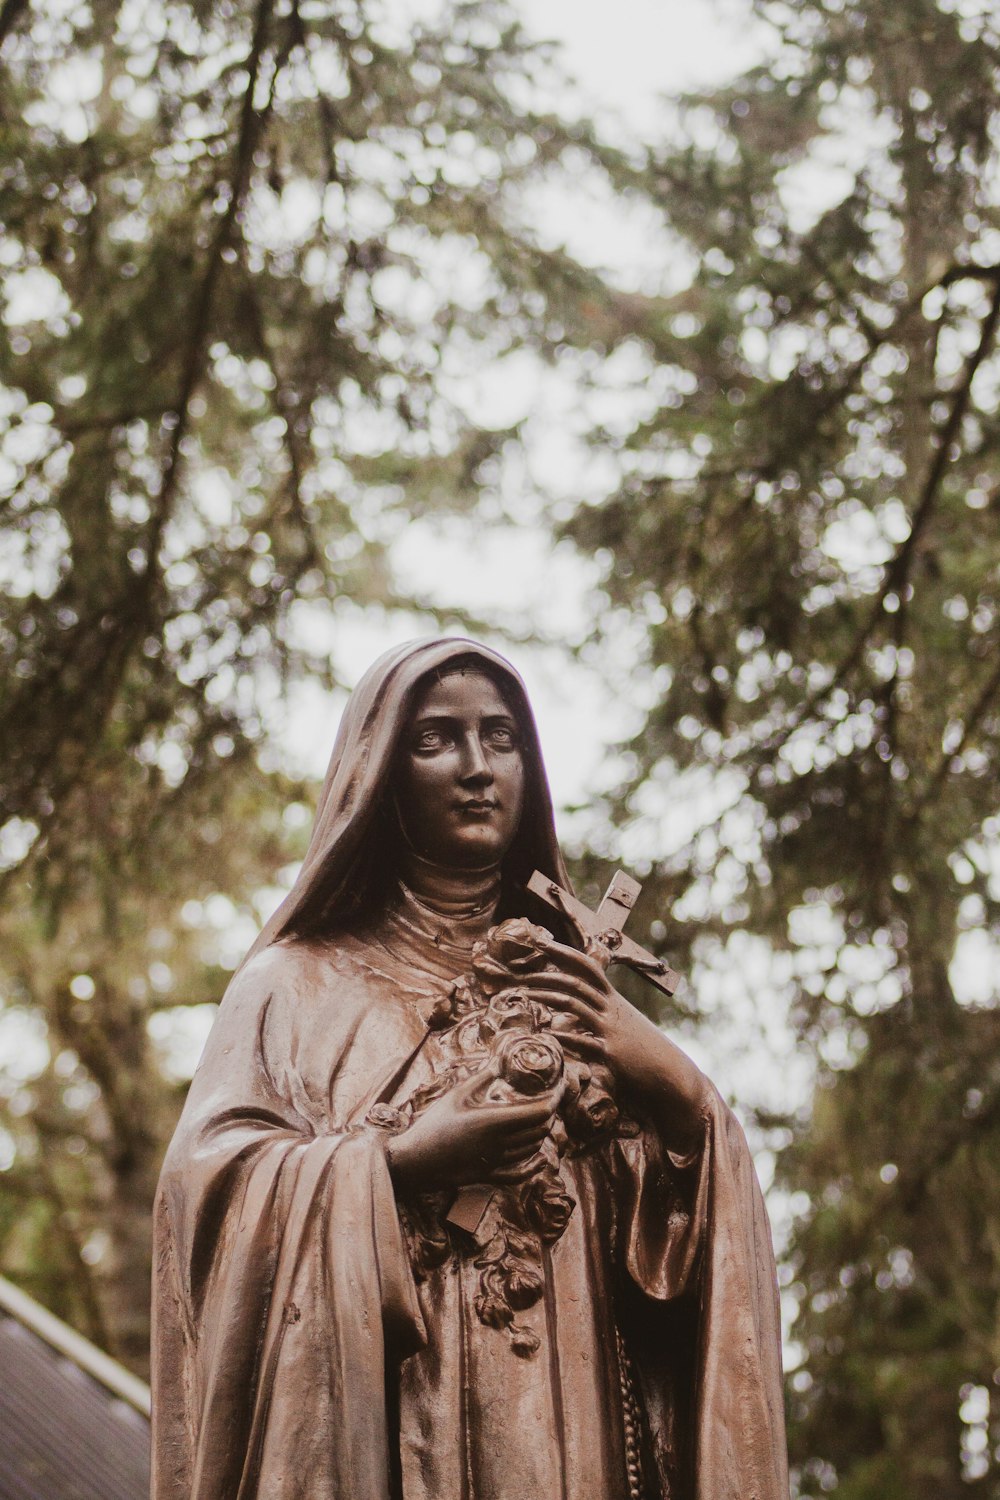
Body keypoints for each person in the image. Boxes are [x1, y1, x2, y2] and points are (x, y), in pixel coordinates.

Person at [151, 637, 788, 1500]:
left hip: (572, 1411)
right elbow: (210, 1201)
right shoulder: (294, 987)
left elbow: (670, 1280)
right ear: (377, 773)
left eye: (501, 737)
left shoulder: (579, 993)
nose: (477, 766)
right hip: (388, 1419)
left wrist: (681, 1097)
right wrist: (403, 1163)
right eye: (436, 739)